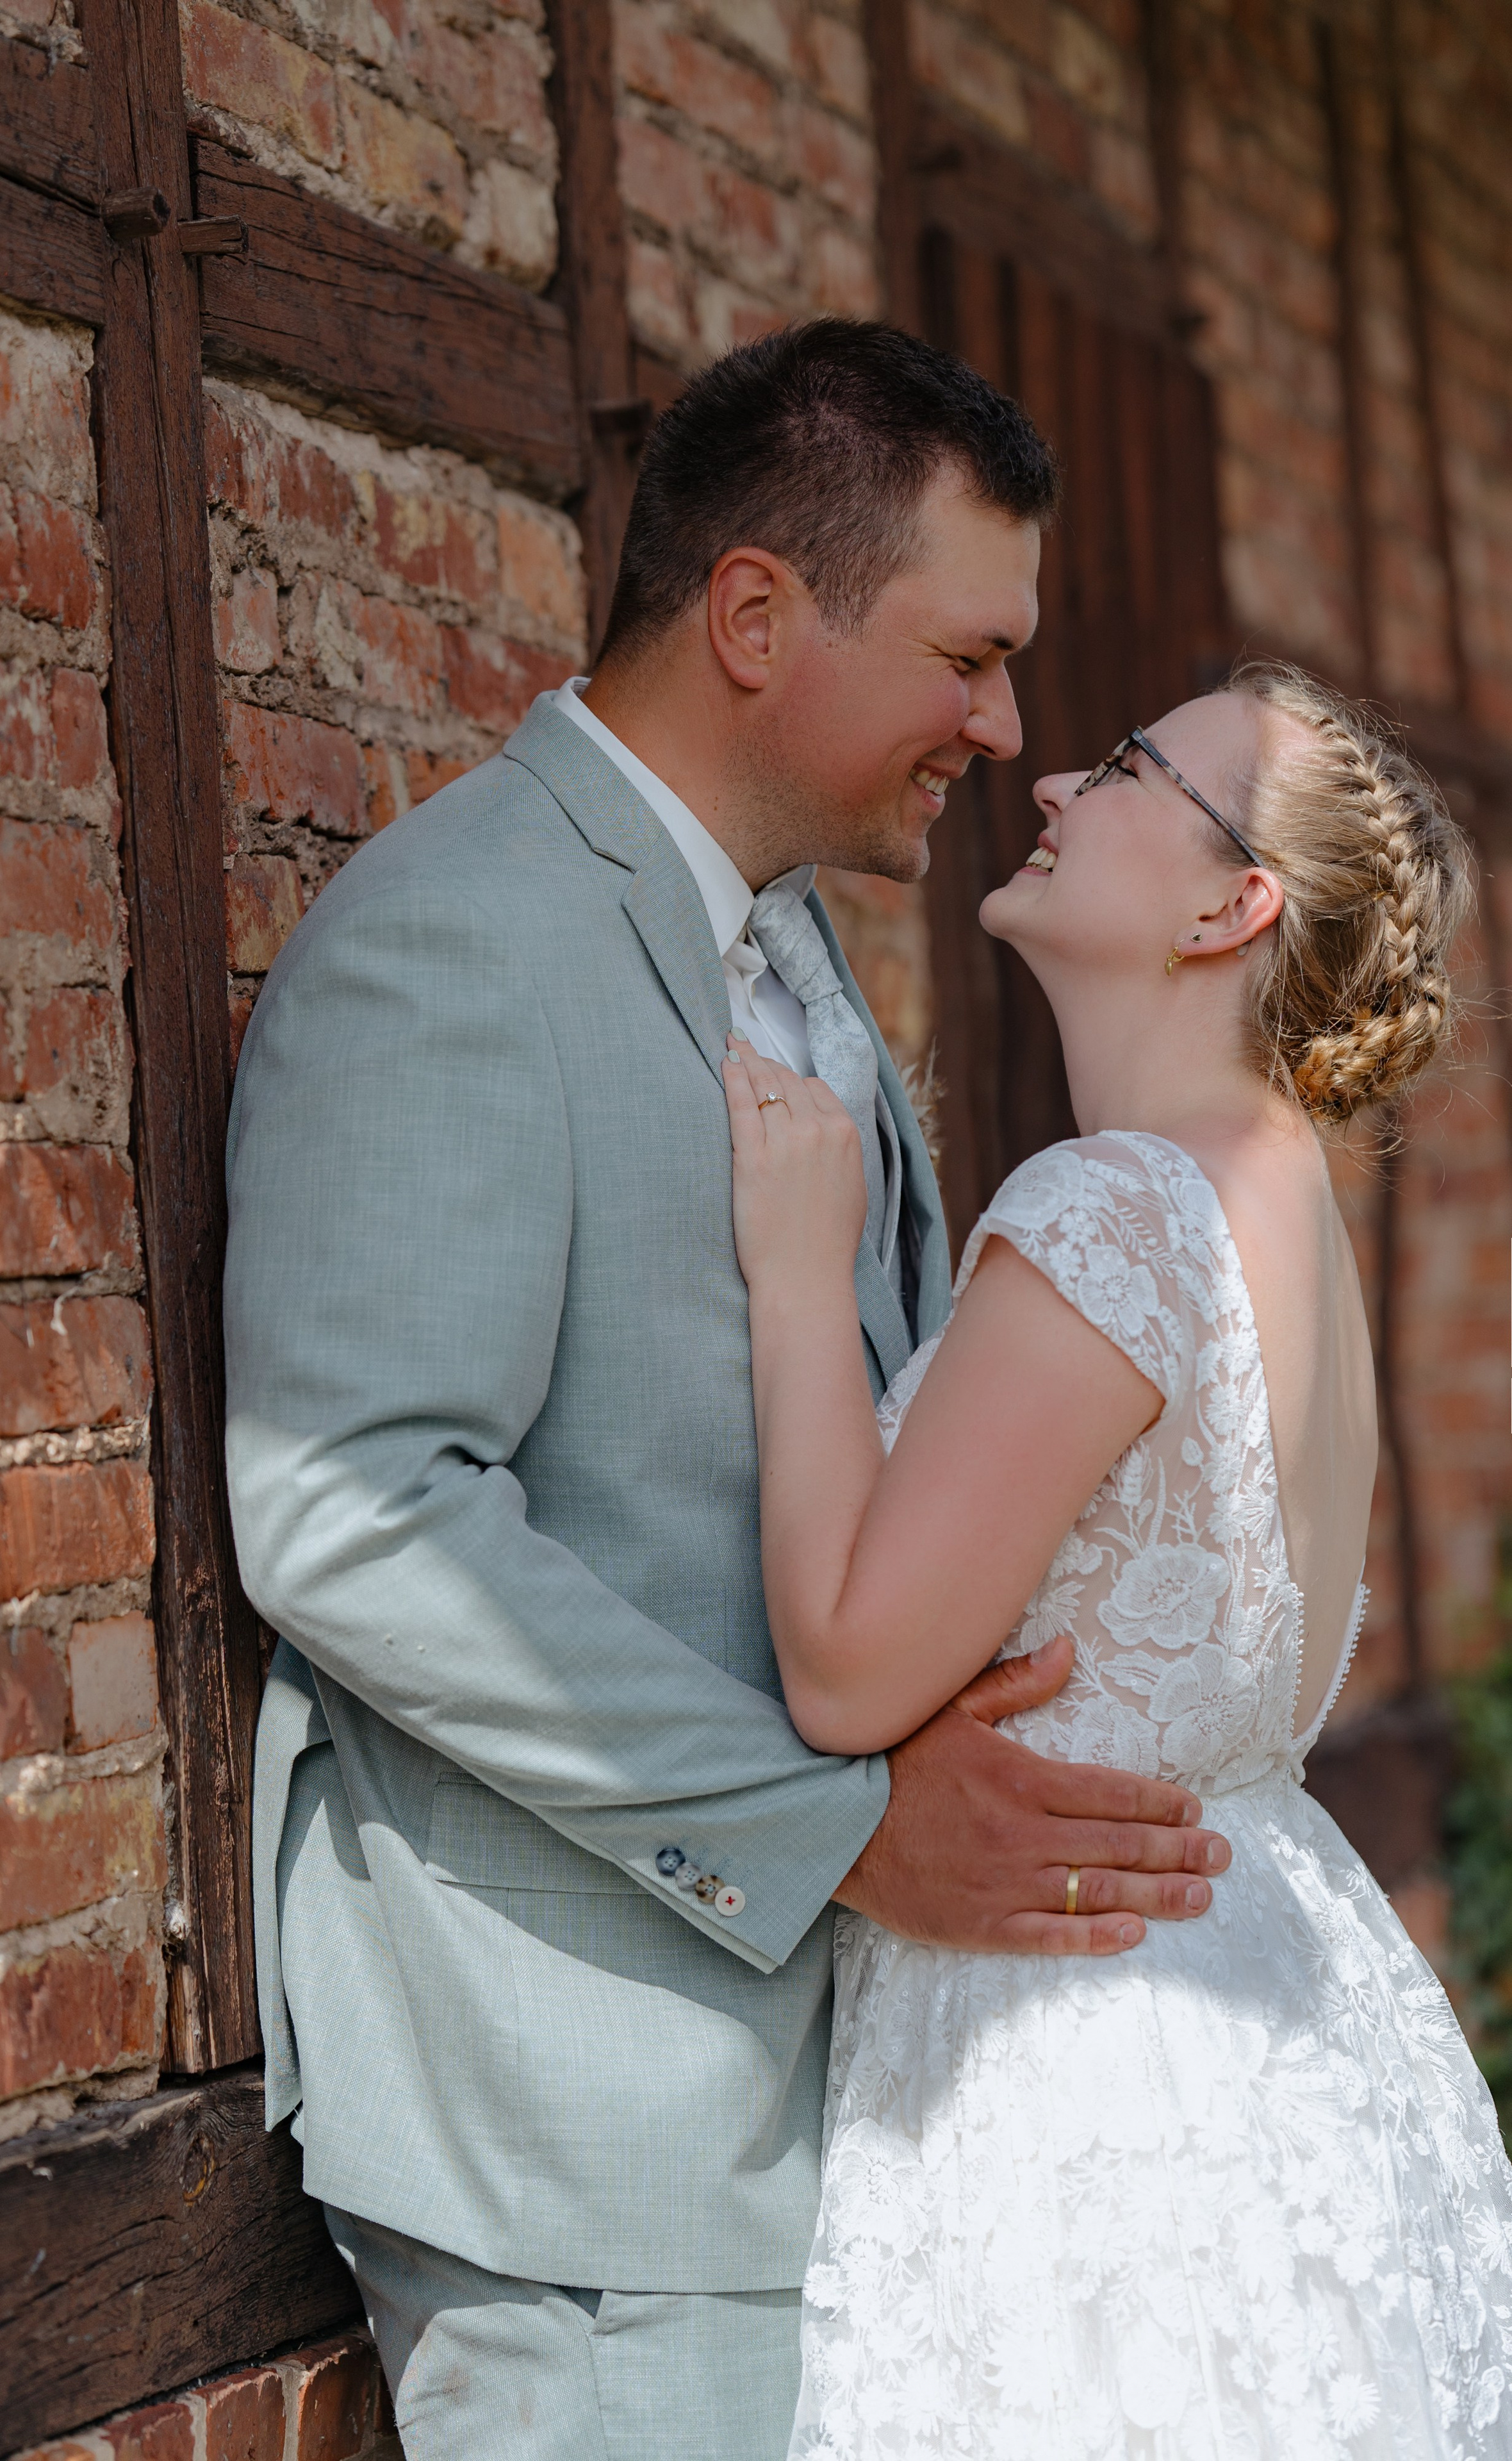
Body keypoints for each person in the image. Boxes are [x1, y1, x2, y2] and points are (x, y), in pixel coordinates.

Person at [222, 321, 1232, 2461]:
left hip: (800, 2111)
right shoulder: (459, 936)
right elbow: (355, 1510)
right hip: (592, 2140)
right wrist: (850, 1829)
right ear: (757, 613)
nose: (1009, 724)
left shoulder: (787, 949)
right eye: (969, 656)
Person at [721, 663, 1512, 2458]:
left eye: (1139, 767)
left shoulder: (1117, 1207)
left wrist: (794, 1271)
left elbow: (848, 1662)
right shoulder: (1288, 1209)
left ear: (1235, 904)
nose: (1061, 775)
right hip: (1275, 2033)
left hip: (1075, 2080)